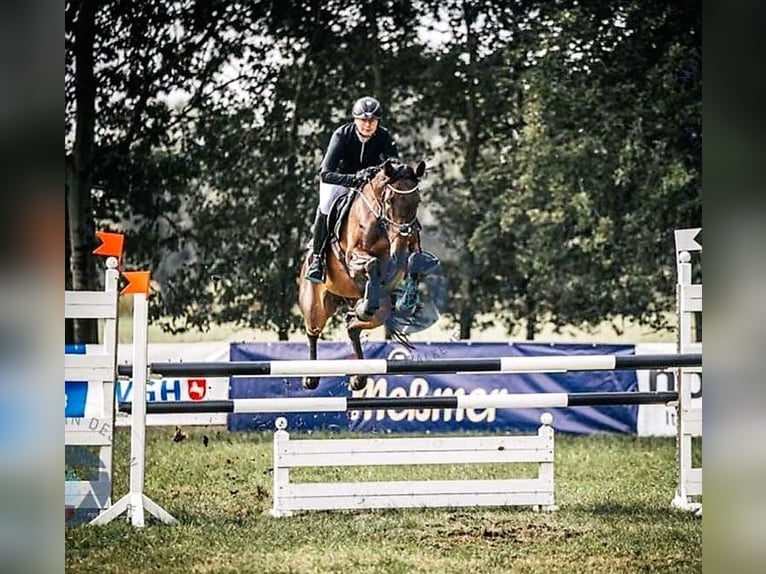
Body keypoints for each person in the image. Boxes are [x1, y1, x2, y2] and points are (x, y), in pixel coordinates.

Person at [304, 96, 399, 283]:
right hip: (339, 180)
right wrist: (353, 179)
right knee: (325, 207)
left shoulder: (384, 136)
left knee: (394, 203)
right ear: (355, 119)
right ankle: (318, 259)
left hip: (369, 184)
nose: (368, 124)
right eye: (364, 120)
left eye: (373, 120)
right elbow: (325, 174)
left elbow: (394, 164)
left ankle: (403, 253)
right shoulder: (342, 135)